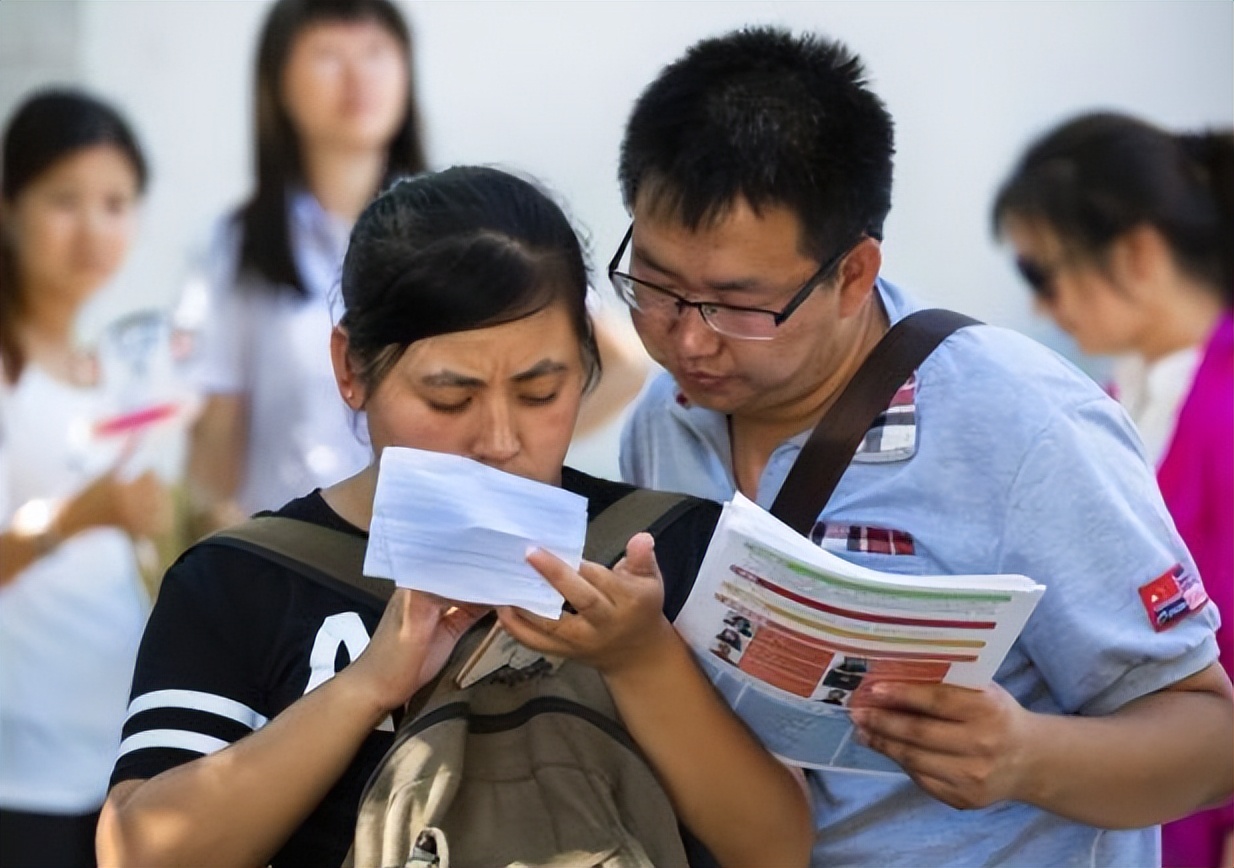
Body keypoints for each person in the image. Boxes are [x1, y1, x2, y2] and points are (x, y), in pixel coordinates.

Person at [613, 27, 1233, 867]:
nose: (689, 341)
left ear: (854, 274)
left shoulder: (1023, 425)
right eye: (652, 285)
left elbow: (1208, 737)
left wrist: (1025, 757)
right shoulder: (666, 418)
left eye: (738, 303)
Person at [96, 166, 813, 868]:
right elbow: (138, 852)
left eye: (540, 392)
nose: (498, 440)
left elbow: (776, 847)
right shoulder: (242, 579)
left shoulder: (665, 553)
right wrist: (368, 685)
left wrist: (642, 658)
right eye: (449, 398)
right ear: (351, 369)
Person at [181, 0, 646, 528]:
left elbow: (624, 364)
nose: (358, 77)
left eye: (377, 53)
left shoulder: (459, 223)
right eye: (329, 56)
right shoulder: (241, 245)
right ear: (277, 81)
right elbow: (217, 434)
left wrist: (505, 457)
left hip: (449, 541)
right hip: (303, 556)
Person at [993, 112, 1234, 868]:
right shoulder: (1105, 403)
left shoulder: (1224, 412)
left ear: (1134, 253)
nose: (1039, 307)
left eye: (1042, 273)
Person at [0, 89, 173, 868]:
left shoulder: (109, 375)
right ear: (10, 208)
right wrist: (78, 517)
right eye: (64, 201)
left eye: (116, 203)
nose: (94, 229)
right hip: (20, 767)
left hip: (112, 762)